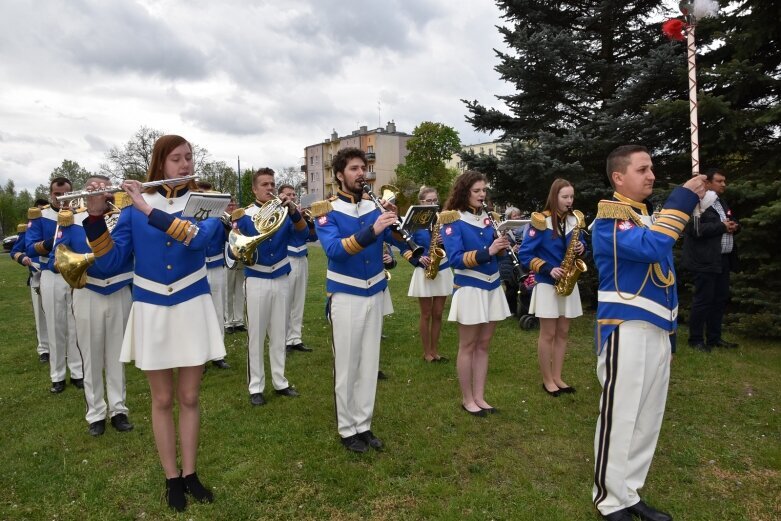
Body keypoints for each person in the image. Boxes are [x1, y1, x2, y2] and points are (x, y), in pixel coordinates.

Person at [82, 135, 225, 512]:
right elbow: (111, 264)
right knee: (162, 399)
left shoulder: (207, 203)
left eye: (189, 158)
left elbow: (198, 241)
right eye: (176, 159)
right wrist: (96, 217)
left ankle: (191, 473)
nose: (185, 165)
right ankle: (171, 477)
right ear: (160, 164)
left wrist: (146, 208)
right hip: (151, 306)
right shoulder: (130, 210)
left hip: (192, 301)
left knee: (190, 397)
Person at [591, 145, 706, 521]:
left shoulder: (644, 218)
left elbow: (666, 282)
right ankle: (608, 500)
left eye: (652, 168)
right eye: (642, 169)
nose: (651, 175)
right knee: (621, 416)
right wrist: (685, 197)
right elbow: (655, 248)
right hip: (626, 329)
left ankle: (629, 491)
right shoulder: (611, 218)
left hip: (655, 329)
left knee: (647, 418)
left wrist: (670, 335)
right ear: (618, 178)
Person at [312, 147, 400, 453]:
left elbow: (391, 242)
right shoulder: (326, 210)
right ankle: (347, 428)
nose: (360, 173)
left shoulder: (374, 206)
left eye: (363, 167)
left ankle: (364, 423)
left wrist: (396, 230)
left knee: (369, 362)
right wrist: (374, 229)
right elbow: (335, 251)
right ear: (339, 174)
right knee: (347, 365)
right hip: (346, 292)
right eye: (353, 168)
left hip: (375, 290)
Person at [58, 176, 135, 436]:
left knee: (116, 354)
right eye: (91, 188)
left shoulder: (123, 216)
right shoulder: (72, 219)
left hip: (118, 290)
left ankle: (119, 409)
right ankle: (96, 413)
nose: (96, 192)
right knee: (90, 355)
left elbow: (127, 253)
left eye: (101, 188)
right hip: (88, 290)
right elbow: (58, 256)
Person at [439, 171, 512, 417]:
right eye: (477, 191)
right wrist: (488, 251)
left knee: (483, 345)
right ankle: (467, 398)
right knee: (468, 345)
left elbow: (496, 254)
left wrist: (503, 248)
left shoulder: (490, 218)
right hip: (470, 288)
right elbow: (456, 260)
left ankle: (480, 396)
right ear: (464, 192)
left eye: (484, 191)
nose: (482, 195)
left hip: (492, 286)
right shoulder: (452, 220)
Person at [233, 168, 308, 406]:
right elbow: (237, 244)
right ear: (254, 189)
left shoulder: (286, 212)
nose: (269, 188)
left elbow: (304, 233)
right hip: (256, 277)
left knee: (279, 332)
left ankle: (280, 381)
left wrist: (294, 211)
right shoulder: (244, 215)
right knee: (256, 334)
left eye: (272, 184)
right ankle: (256, 386)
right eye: (264, 184)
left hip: (281, 276)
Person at [518, 179, 586, 397]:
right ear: (554, 196)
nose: (569, 201)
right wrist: (548, 268)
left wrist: (581, 248)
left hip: (568, 282)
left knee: (563, 332)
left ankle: (558, 376)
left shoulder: (575, 221)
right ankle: (547, 380)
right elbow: (525, 255)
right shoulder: (540, 222)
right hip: (548, 283)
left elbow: (584, 252)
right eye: (564, 197)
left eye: (571, 197)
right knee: (548, 333)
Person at [25, 177, 83, 392]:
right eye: (57, 194)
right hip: (51, 274)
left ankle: (77, 372)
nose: (61, 198)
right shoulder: (40, 217)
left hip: (75, 276)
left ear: (72, 193)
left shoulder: (80, 215)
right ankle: (57, 375)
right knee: (55, 326)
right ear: (51, 194)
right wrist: (53, 243)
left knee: (75, 326)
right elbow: (30, 247)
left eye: (66, 193)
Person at [682, 168, 740, 351]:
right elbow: (694, 230)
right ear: (707, 183)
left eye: (724, 181)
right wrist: (722, 227)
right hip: (704, 260)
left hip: (722, 259)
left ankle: (714, 338)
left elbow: (729, 219)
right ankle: (696, 339)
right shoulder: (697, 203)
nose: (724, 184)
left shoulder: (720, 202)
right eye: (720, 181)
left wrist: (734, 226)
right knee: (704, 299)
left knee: (719, 299)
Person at [403, 186, 453, 363]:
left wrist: (445, 240)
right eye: (428, 201)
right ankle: (426, 353)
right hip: (424, 268)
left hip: (443, 267)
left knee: (438, 313)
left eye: (435, 201)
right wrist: (417, 260)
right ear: (421, 202)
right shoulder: (414, 221)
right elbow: (405, 246)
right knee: (426, 313)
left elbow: (454, 245)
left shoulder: (443, 220)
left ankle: (435, 350)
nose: (433, 204)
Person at [279, 183, 316, 354]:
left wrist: (307, 220)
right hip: (288, 257)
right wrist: (293, 215)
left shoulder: (299, 214)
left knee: (299, 300)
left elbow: (312, 236)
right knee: (286, 301)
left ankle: (296, 338)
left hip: (302, 258)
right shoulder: (279, 214)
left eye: (294, 194)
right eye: (288, 194)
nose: (292, 197)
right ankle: (284, 339)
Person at [196, 181, 230, 370]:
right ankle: (199, 353)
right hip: (197, 267)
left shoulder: (219, 217)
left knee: (218, 309)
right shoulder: (189, 214)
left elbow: (230, 238)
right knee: (197, 311)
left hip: (217, 266)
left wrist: (229, 225)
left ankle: (218, 353)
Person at [10, 218, 50, 364]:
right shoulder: (28, 230)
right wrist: (23, 257)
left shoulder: (56, 225)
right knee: (41, 315)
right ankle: (44, 349)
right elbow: (15, 251)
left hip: (57, 274)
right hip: (37, 275)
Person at [223, 197, 246, 334]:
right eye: (229, 204)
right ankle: (228, 322)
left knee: (240, 290)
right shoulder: (222, 220)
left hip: (241, 257)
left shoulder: (240, 219)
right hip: (228, 258)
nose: (231, 206)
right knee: (228, 290)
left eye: (233, 203)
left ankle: (239, 321)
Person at [499, 206, 524, 316]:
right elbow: (499, 249)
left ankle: (522, 309)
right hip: (507, 263)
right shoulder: (504, 230)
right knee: (511, 287)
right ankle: (511, 310)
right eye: (515, 216)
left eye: (518, 215)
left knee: (522, 286)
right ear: (509, 218)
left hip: (520, 262)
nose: (517, 217)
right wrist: (512, 249)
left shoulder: (524, 229)